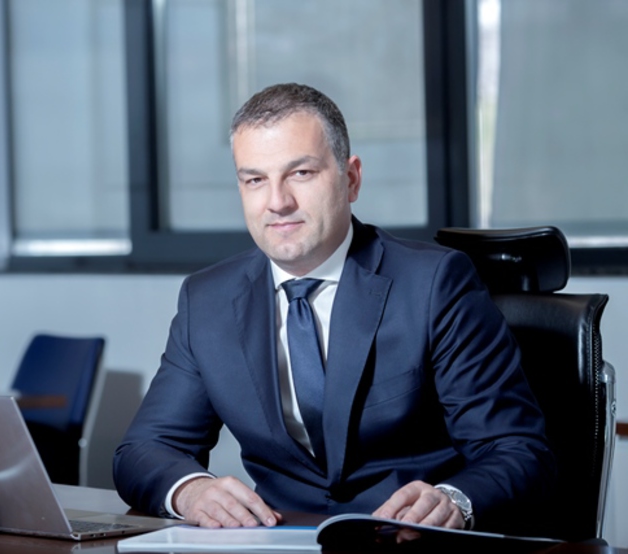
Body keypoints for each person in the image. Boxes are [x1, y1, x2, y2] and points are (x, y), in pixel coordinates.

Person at [113, 83, 555, 534]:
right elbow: (143, 450)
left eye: (301, 173)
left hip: (406, 541)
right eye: (255, 180)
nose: (278, 202)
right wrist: (189, 490)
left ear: (351, 179)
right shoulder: (208, 300)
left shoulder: (434, 283)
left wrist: (454, 501)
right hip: (278, 541)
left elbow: (518, 451)